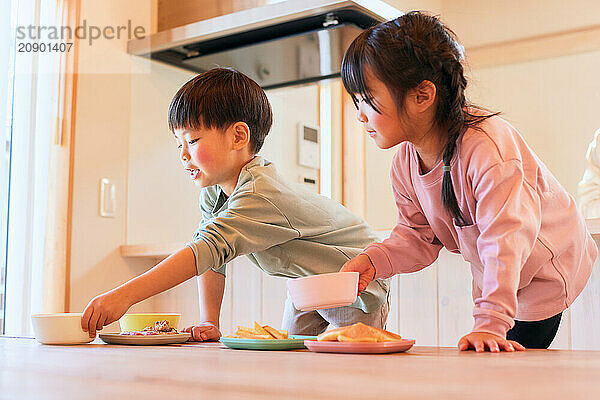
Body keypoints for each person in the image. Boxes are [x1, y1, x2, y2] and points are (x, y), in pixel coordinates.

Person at [339, 11, 596, 352]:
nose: (359, 114)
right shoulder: (405, 164)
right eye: (357, 101)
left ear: (422, 96)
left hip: (544, 267)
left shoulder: (487, 147)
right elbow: (417, 236)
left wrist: (490, 321)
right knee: (495, 357)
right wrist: (375, 259)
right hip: (502, 268)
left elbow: (507, 237)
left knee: (509, 360)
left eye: (367, 100)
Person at [81, 67, 389, 339]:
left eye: (193, 140)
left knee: (353, 364)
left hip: (353, 281)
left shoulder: (259, 193)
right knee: (289, 365)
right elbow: (212, 257)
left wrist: (124, 296)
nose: (183, 155)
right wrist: (209, 320)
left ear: (238, 136)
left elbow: (204, 252)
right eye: (179, 144)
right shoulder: (214, 194)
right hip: (306, 285)